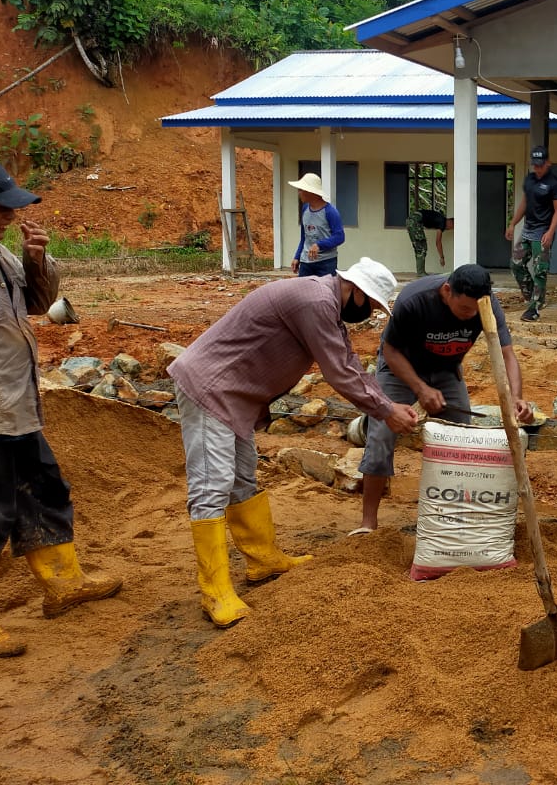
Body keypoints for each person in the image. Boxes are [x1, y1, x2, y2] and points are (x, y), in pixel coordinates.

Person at [168, 257, 419, 627]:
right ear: (358, 292)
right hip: (211, 388)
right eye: (370, 307)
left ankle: (262, 558)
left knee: (242, 476)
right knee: (212, 483)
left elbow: (347, 361)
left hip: (233, 394)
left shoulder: (324, 303)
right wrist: (385, 411)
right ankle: (215, 591)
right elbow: (338, 372)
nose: (367, 316)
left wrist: (387, 404)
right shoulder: (316, 301)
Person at [0, 163, 121, 658]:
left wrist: (36, 260)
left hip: (16, 403)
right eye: (0, 205)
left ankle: (63, 582)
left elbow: (36, 304)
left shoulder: (1, 255)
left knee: (44, 489)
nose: (8, 213)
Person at [353, 264, 534, 535]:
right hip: (400, 369)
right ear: (447, 291)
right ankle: (369, 523)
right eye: (464, 310)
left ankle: (451, 519)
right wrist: (421, 388)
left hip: (447, 370)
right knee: (381, 436)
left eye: (474, 310)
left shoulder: (486, 304)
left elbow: (506, 354)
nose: (469, 316)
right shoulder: (414, 300)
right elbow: (390, 351)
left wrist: (516, 398)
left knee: (462, 436)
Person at [505, 146, 557, 322]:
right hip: (527, 230)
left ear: (548, 163)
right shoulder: (530, 180)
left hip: (543, 233)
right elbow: (524, 203)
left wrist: (551, 231)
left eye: (540, 165)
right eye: (535, 165)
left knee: (540, 270)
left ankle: (534, 307)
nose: (537, 168)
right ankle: (533, 294)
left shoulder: (555, 184)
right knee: (516, 264)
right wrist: (513, 223)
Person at [289, 172, 345, 277]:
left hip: (326, 262)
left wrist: (319, 245)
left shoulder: (330, 212)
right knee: (303, 292)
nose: (299, 193)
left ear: (310, 192)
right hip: (306, 262)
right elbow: (304, 237)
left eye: (301, 190)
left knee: (326, 291)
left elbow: (340, 237)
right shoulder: (305, 209)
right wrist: (297, 257)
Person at [405, 207, 453, 276]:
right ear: (451, 222)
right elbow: (438, 242)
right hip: (415, 220)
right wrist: (442, 257)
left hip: (412, 220)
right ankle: (421, 272)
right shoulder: (442, 222)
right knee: (422, 248)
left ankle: (420, 272)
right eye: (451, 227)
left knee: (419, 248)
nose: (448, 229)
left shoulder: (440, 219)